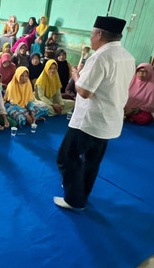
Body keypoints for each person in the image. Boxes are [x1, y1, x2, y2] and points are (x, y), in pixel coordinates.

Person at [55, 16, 135, 210]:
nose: (91, 38)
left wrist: (76, 75)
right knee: (92, 161)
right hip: (110, 119)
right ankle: (82, 194)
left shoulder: (100, 57)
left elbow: (84, 91)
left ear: (99, 34)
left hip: (90, 120)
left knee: (67, 157)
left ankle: (74, 199)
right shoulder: (128, 57)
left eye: (91, 34)